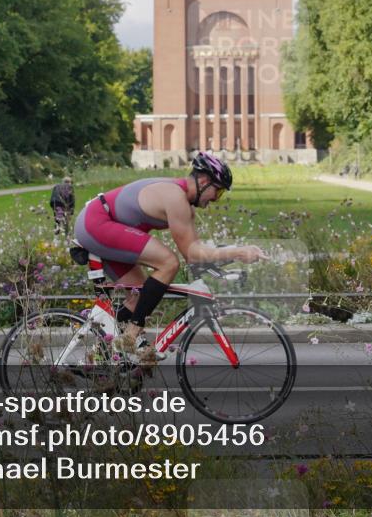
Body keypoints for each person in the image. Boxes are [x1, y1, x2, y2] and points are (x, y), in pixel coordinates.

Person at [74, 152, 264, 362]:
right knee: (168, 262)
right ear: (203, 181)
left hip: (103, 224)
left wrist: (230, 258)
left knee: (138, 295)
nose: (216, 200)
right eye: (217, 192)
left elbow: (197, 252)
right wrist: (238, 251)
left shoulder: (184, 204)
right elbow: (192, 254)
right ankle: (131, 335)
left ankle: (104, 351)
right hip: (97, 222)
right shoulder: (175, 197)